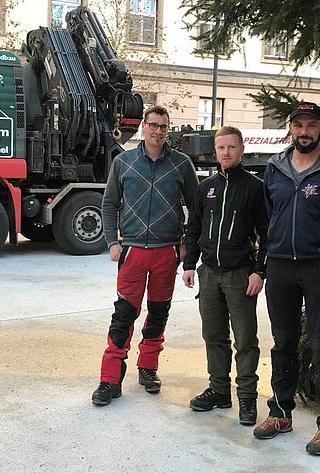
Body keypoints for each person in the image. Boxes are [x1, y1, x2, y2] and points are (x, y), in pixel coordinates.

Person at [256, 102, 320, 456]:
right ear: (290, 128)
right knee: (282, 342)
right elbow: (271, 215)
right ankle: (280, 412)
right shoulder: (274, 168)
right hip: (281, 266)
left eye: (311, 125)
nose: (304, 131)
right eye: (299, 125)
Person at [91, 105, 199, 406]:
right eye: (153, 125)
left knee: (159, 313)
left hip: (166, 252)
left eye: (163, 126)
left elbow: (197, 206)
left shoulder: (181, 164)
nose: (158, 131)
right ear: (143, 128)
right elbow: (110, 203)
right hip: (133, 251)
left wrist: (185, 244)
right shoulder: (124, 162)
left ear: (168, 129)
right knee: (124, 313)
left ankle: (148, 368)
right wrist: (112, 242)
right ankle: (109, 379)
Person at [182, 125, 268, 426]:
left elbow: (266, 234)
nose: (226, 153)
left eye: (231, 147)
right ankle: (219, 390)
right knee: (214, 336)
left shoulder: (255, 188)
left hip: (240, 275)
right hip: (209, 275)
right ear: (215, 151)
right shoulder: (206, 187)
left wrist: (259, 271)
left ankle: (247, 398)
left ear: (241, 149)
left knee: (245, 340)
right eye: (221, 148)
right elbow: (193, 228)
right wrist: (189, 264)